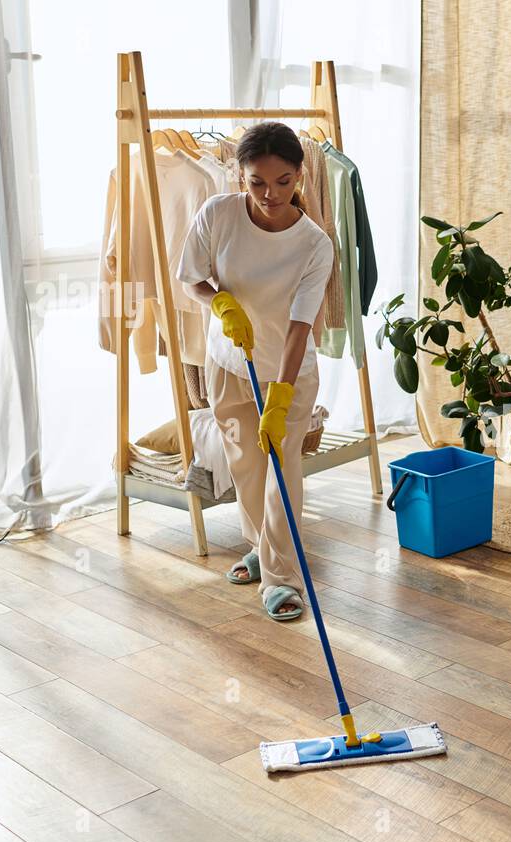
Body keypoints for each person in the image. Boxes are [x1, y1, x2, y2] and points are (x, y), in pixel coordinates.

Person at [177, 122, 333, 621]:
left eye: (284, 182)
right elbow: (190, 278)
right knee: (244, 463)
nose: (270, 194)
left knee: (281, 473)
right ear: (240, 176)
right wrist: (219, 301)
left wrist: (282, 395)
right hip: (229, 361)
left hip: (285, 372)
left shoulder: (315, 244)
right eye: (257, 183)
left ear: (300, 176)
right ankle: (258, 547)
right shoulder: (217, 214)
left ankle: (281, 578)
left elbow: (299, 328)